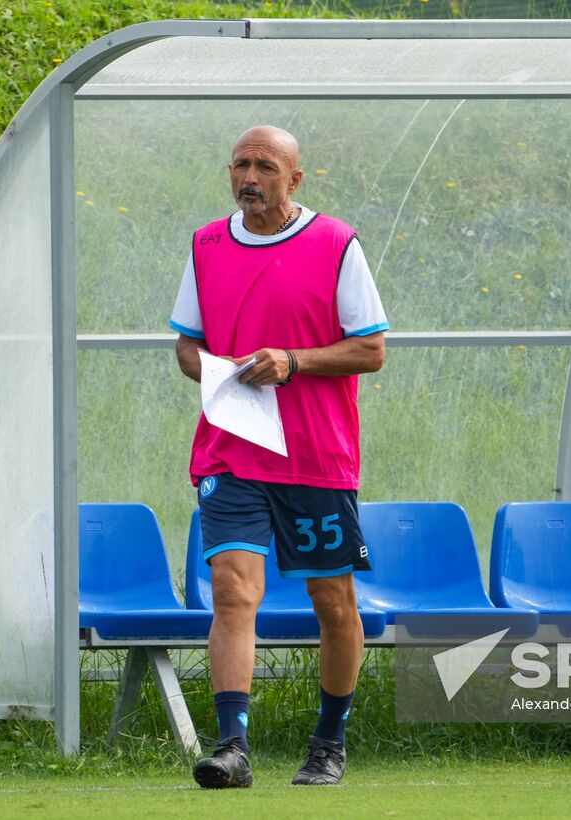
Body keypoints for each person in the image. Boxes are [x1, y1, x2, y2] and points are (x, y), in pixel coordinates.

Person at [168, 125, 388, 788]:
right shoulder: (206, 245)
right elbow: (185, 345)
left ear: (295, 179)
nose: (250, 177)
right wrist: (217, 374)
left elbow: (371, 349)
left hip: (316, 458)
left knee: (332, 599)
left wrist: (293, 363)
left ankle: (329, 740)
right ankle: (232, 747)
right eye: (240, 164)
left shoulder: (336, 244)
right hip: (231, 452)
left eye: (265, 166)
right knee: (234, 591)